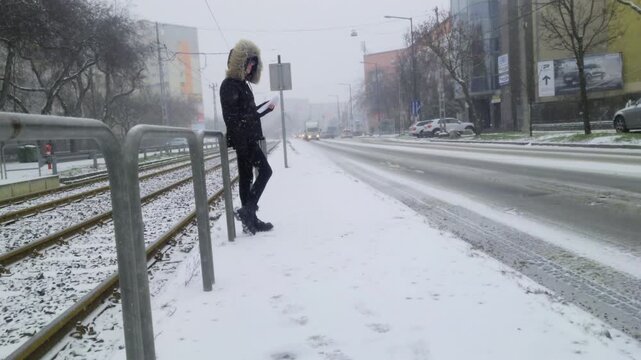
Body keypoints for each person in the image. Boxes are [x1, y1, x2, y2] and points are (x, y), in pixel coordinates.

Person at [220, 39, 275, 235]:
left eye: (254, 64)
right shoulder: (229, 86)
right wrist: (242, 143)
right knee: (266, 172)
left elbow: (248, 114)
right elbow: (233, 118)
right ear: (240, 62)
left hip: (247, 137)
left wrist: (265, 110)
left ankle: (249, 219)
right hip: (243, 140)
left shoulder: (242, 85)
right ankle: (248, 210)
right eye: (250, 63)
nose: (252, 67)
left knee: (246, 178)